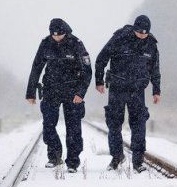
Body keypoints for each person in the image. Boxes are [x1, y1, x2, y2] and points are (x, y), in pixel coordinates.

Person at [94, 14, 161, 173]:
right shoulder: (119, 38)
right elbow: (102, 58)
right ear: (134, 29)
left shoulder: (151, 44)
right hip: (117, 88)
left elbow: (155, 69)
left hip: (137, 90)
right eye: (139, 33)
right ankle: (117, 157)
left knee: (139, 125)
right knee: (114, 123)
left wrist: (156, 90)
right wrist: (99, 81)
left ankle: (138, 161)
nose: (142, 36)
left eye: (145, 34)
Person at [25, 18, 92, 172]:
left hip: (72, 92)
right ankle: (55, 156)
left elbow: (87, 71)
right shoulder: (45, 43)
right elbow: (36, 67)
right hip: (50, 90)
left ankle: (72, 163)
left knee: (74, 129)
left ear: (65, 32)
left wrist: (81, 93)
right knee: (48, 126)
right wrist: (31, 92)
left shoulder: (76, 44)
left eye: (59, 35)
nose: (57, 38)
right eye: (54, 35)